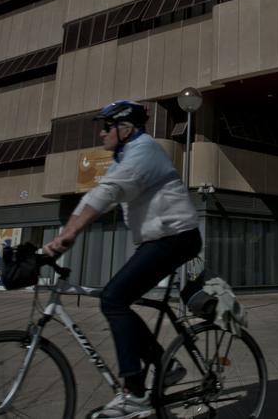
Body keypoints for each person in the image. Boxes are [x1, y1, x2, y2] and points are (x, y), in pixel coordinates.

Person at [43, 100, 202, 419]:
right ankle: (165, 364)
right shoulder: (125, 157)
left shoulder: (143, 150)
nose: (101, 133)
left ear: (125, 128)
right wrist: (61, 236)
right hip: (159, 239)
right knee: (117, 298)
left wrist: (68, 236)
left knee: (113, 298)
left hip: (176, 236)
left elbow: (108, 193)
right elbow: (94, 195)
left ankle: (134, 393)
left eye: (106, 127)